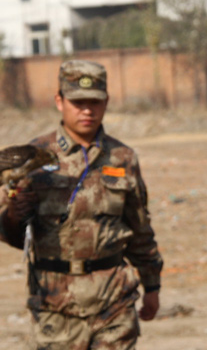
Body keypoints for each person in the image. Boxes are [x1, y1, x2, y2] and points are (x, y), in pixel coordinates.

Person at [0, 60, 163, 348]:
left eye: (94, 102)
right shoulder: (33, 158)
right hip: (55, 306)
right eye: (78, 102)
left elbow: (139, 227)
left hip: (114, 300)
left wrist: (152, 285)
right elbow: (12, 235)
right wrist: (14, 213)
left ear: (107, 102)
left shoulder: (123, 158)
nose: (87, 110)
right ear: (59, 101)